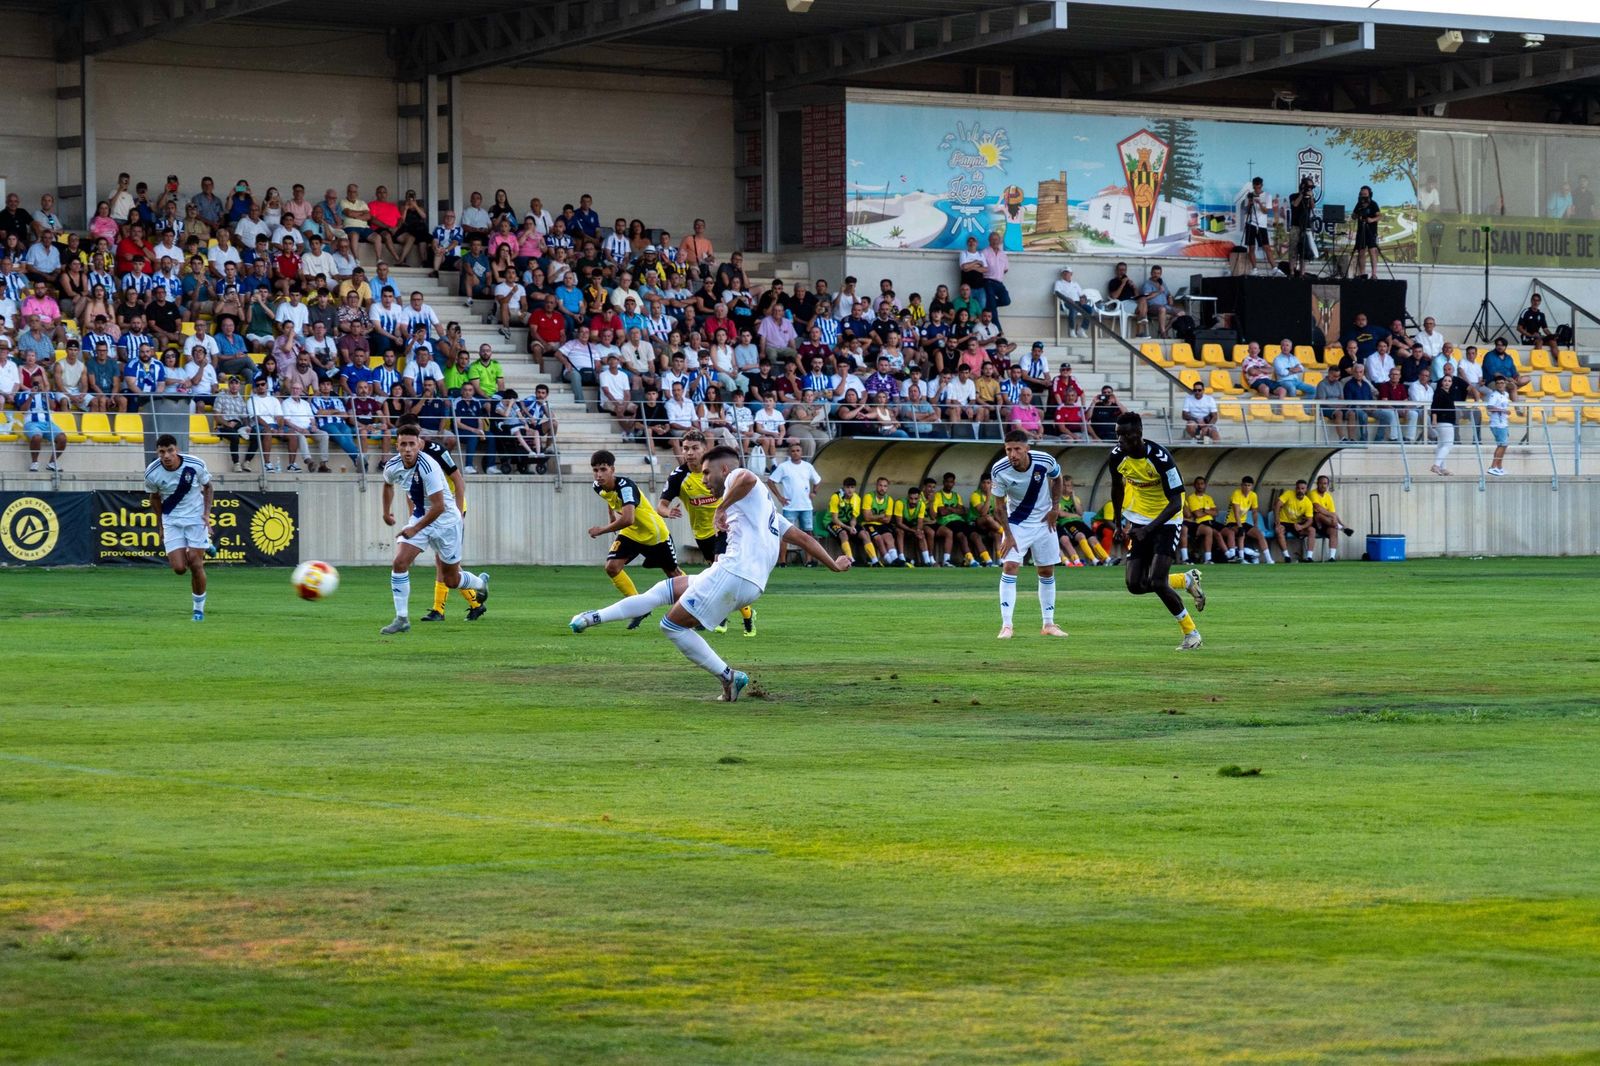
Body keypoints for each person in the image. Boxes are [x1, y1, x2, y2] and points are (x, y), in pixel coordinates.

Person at [570, 446, 851, 702]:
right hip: (740, 577)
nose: (703, 480)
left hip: (735, 574)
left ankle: (729, 676)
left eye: (706, 473)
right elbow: (803, 537)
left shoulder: (738, 476)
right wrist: (833, 565)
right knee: (664, 589)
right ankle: (591, 618)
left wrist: (720, 508)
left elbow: (748, 479)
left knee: (672, 626)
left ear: (724, 470)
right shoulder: (764, 508)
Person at [379, 425, 490, 635]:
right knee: (399, 562)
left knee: (452, 579)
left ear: (418, 444)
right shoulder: (392, 466)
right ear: (397, 446)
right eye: (403, 444)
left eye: (412, 444)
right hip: (422, 519)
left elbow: (438, 506)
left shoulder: (428, 466)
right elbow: (387, 485)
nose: (408, 449)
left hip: (447, 522)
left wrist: (414, 529)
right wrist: (386, 512)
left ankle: (480, 583)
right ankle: (401, 618)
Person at [1109, 413, 1206, 649]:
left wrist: (1148, 530)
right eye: (1117, 435)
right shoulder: (1117, 456)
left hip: (1168, 520)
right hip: (1139, 520)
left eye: (1125, 435)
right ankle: (1185, 579)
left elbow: (1175, 503)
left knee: (1157, 581)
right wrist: (1118, 522)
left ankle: (1191, 634)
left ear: (1138, 435)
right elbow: (1116, 487)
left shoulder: (1161, 459)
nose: (1120, 440)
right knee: (1135, 584)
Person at [659, 431, 755, 634]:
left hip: (725, 528)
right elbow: (661, 506)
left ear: (705, 449)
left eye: (695, 448)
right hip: (702, 535)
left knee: (720, 571)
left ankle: (720, 617)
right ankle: (747, 615)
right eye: (686, 448)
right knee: (720, 575)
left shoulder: (718, 469)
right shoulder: (679, 476)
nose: (690, 453)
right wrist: (669, 512)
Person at [590, 449, 684, 627]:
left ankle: (696, 606)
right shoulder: (597, 486)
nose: (599, 474)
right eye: (595, 470)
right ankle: (639, 607)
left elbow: (628, 518)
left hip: (654, 534)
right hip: (632, 533)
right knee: (612, 567)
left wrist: (602, 529)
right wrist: (611, 516)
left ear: (612, 469)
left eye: (603, 469)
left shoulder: (626, 486)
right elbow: (609, 500)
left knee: (674, 575)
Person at [989, 430, 1068, 639]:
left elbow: (1057, 478)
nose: (1012, 454)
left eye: (1017, 449)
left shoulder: (1045, 460)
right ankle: (1007, 626)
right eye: (1008, 450)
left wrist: (1055, 507)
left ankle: (1048, 624)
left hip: (1044, 522)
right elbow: (998, 507)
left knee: (1046, 571)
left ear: (1027, 449)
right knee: (1010, 565)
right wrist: (1009, 534)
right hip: (1016, 523)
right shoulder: (999, 469)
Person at [144, 434, 215, 621]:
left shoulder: (195, 464)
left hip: (195, 518)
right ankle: (208, 544)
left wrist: (207, 514)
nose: (166, 455)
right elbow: (154, 498)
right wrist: (160, 525)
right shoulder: (152, 473)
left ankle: (198, 611)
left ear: (177, 450)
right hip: (171, 520)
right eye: (161, 452)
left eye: (170, 451)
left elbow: (208, 487)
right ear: (157, 453)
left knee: (196, 563)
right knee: (179, 568)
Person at [767, 441, 821, 567]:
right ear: (789, 453)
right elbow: (770, 481)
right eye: (793, 451)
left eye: (798, 450)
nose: (795, 453)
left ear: (801, 452)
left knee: (808, 533)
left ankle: (808, 561)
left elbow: (817, 480)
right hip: (790, 507)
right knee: (785, 534)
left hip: (806, 506)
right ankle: (782, 561)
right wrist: (780, 497)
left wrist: (814, 492)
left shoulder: (808, 466)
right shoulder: (784, 467)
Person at [1224, 475, 1274, 564]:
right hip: (1231, 522)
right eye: (1245, 485)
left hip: (1243, 522)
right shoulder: (1236, 493)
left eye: (1249, 485)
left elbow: (1254, 512)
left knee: (1259, 534)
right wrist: (1239, 527)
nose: (1247, 487)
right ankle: (1242, 558)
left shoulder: (1253, 495)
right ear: (1241, 485)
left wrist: (1255, 526)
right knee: (1241, 532)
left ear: (1252, 486)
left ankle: (1269, 559)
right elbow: (1236, 512)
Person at [1307, 475, 1353, 561]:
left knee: (1333, 530)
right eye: (1321, 483)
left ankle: (1332, 557)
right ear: (1317, 484)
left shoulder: (1328, 496)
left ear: (1328, 485)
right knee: (1319, 514)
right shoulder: (1312, 494)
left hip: (1325, 523)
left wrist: (1343, 523)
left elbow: (1333, 513)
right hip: (1313, 522)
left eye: (1325, 483)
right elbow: (1317, 507)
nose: (1323, 485)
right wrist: (1332, 516)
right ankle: (1341, 528)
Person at [1273, 480, 1315, 563]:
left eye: (1302, 488)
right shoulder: (1289, 494)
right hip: (1283, 521)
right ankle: (1287, 556)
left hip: (1296, 524)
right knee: (1279, 530)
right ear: (1296, 488)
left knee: (1312, 530)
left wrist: (1301, 526)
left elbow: (1310, 520)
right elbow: (1277, 505)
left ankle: (1309, 557)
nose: (1300, 490)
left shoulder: (1308, 502)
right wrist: (1277, 522)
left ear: (1306, 490)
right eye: (1298, 488)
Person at [1051, 267, 1093, 337]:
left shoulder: (1075, 284)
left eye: (1067, 273)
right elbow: (1056, 293)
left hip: (1077, 303)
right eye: (1064, 273)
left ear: (1071, 274)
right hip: (1065, 303)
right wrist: (1067, 298)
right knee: (1073, 308)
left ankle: (1082, 330)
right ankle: (1072, 330)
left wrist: (1083, 299)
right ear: (1062, 274)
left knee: (1089, 309)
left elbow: (1082, 294)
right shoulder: (1058, 283)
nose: (1066, 274)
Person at [1351, 185, 1381, 279]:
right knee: (1361, 251)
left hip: (1371, 231)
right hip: (1361, 231)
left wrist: (1371, 220)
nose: (1363, 196)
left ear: (1369, 194)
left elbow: (1379, 216)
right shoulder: (1359, 204)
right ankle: (1362, 274)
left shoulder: (1373, 204)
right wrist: (1356, 216)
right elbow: (1353, 215)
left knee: (1372, 251)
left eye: (1365, 194)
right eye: (1361, 194)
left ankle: (1374, 274)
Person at [1485, 375, 1512, 476]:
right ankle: (1493, 467)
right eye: (1498, 383)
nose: (1500, 385)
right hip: (1497, 423)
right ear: (1495, 385)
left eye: (1502, 383)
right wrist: (1503, 411)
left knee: (1503, 445)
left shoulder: (1505, 394)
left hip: (1503, 423)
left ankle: (1499, 467)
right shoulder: (1494, 395)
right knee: (1502, 445)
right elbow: (1490, 408)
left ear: (1505, 384)